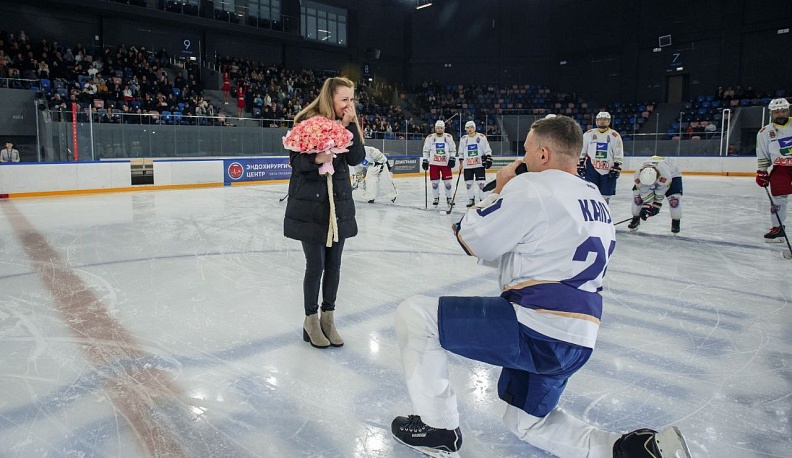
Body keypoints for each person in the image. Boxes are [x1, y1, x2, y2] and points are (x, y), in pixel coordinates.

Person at [390, 115, 691, 458]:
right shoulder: (594, 198)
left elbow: (471, 238)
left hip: (537, 329)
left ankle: (438, 430)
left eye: (527, 150)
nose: (523, 157)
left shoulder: (533, 187)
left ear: (544, 155)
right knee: (527, 422)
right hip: (578, 338)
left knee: (415, 315)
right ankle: (631, 451)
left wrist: (502, 186)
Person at [283, 76, 365, 349]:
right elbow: (296, 162)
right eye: (344, 99)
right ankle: (310, 320)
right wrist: (317, 158)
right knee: (315, 264)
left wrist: (350, 125)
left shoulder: (349, 123)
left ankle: (328, 318)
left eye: (351, 99)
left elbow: (355, 158)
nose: (349, 105)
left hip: (338, 203)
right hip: (312, 205)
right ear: (330, 98)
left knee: (334, 265)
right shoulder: (307, 122)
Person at [756, 97, 792, 241]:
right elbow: (762, 153)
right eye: (777, 112)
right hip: (780, 168)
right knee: (778, 200)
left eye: (783, 111)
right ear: (771, 113)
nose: (780, 114)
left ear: (787, 111)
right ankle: (778, 228)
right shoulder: (764, 132)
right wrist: (762, 171)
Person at [626, 156, 683, 234]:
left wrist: (656, 205)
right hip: (654, 176)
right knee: (637, 197)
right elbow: (644, 190)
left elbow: (661, 190)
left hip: (673, 176)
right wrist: (646, 206)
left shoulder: (665, 175)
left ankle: (676, 222)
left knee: (674, 201)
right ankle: (635, 218)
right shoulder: (638, 177)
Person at [579, 111, 624, 204]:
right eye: (600, 119)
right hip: (592, 168)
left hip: (608, 168)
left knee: (605, 196)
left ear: (609, 121)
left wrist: (616, 166)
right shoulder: (589, 134)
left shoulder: (614, 135)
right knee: (591, 193)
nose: (602, 122)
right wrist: (580, 163)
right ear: (596, 121)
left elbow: (618, 151)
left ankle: (604, 212)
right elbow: (582, 149)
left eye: (605, 120)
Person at [456, 120, 493, 207]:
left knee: (481, 183)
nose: (470, 129)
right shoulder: (463, 139)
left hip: (479, 165)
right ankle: (471, 199)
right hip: (468, 165)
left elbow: (487, 149)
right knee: (468, 183)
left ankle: (482, 199)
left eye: (472, 127)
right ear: (466, 129)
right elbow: (461, 152)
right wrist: (461, 163)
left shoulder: (481, 137)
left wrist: (488, 157)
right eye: (468, 128)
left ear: (475, 128)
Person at [422, 120, 457, 208]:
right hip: (434, 164)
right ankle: (436, 198)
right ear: (435, 128)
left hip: (446, 164)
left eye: (441, 128)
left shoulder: (448, 137)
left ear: (444, 128)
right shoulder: (430, 137)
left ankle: (449, 198)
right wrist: (425, 160)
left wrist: (452, 158)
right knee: (435, 183)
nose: (439, 129)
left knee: (448, 183)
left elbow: (453, 148)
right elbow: (426, 150)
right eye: (437, 128)